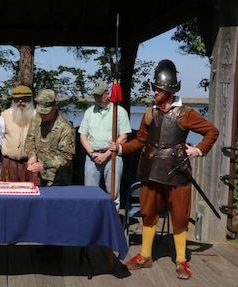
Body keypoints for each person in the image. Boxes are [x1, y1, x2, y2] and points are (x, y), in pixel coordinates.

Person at [108, 59, 219, 280]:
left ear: (169, 90)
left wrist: (197, 150)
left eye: (159, 89)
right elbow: (140, 141)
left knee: (179, 217)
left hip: (177, 171)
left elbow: (211, 132)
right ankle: (145, 256)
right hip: (150, 170)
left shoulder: (185, 113)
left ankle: (181, 260)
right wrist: (120, 148)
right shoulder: (150, 113)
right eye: (155, 88)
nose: (155, 92)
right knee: (148, 214)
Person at [79, 80, 131, 210]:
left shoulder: (119, 111)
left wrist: (107, 153)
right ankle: (91, 221)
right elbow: (83, 136)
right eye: (95, 95)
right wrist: (91, 153)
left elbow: (124, 135)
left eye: (99, 95)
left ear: (107, 94)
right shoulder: (89, 112)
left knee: (112, 194)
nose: (96, 98)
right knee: (90, 193)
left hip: (112, 157)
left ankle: (111, 221)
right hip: (92, 156)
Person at [25, 89, 76, 186]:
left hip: (58, 178)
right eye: (40, 112)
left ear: (54, 108)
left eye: (45, 112)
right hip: (39, 175)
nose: (42, 115)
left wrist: (44, 165)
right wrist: (32, 155)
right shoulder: (36, 119)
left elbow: (66, 156)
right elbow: (30, 138)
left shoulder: (65, 128)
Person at [0, 85, 39, 183]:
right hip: (10, 164)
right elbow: (0, 140)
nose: (20, 101)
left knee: (32, 194)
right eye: (17, 99)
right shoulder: (4, 116)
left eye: (24, 99)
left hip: (32, 164)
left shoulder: (38, 117)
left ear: (30, 99)